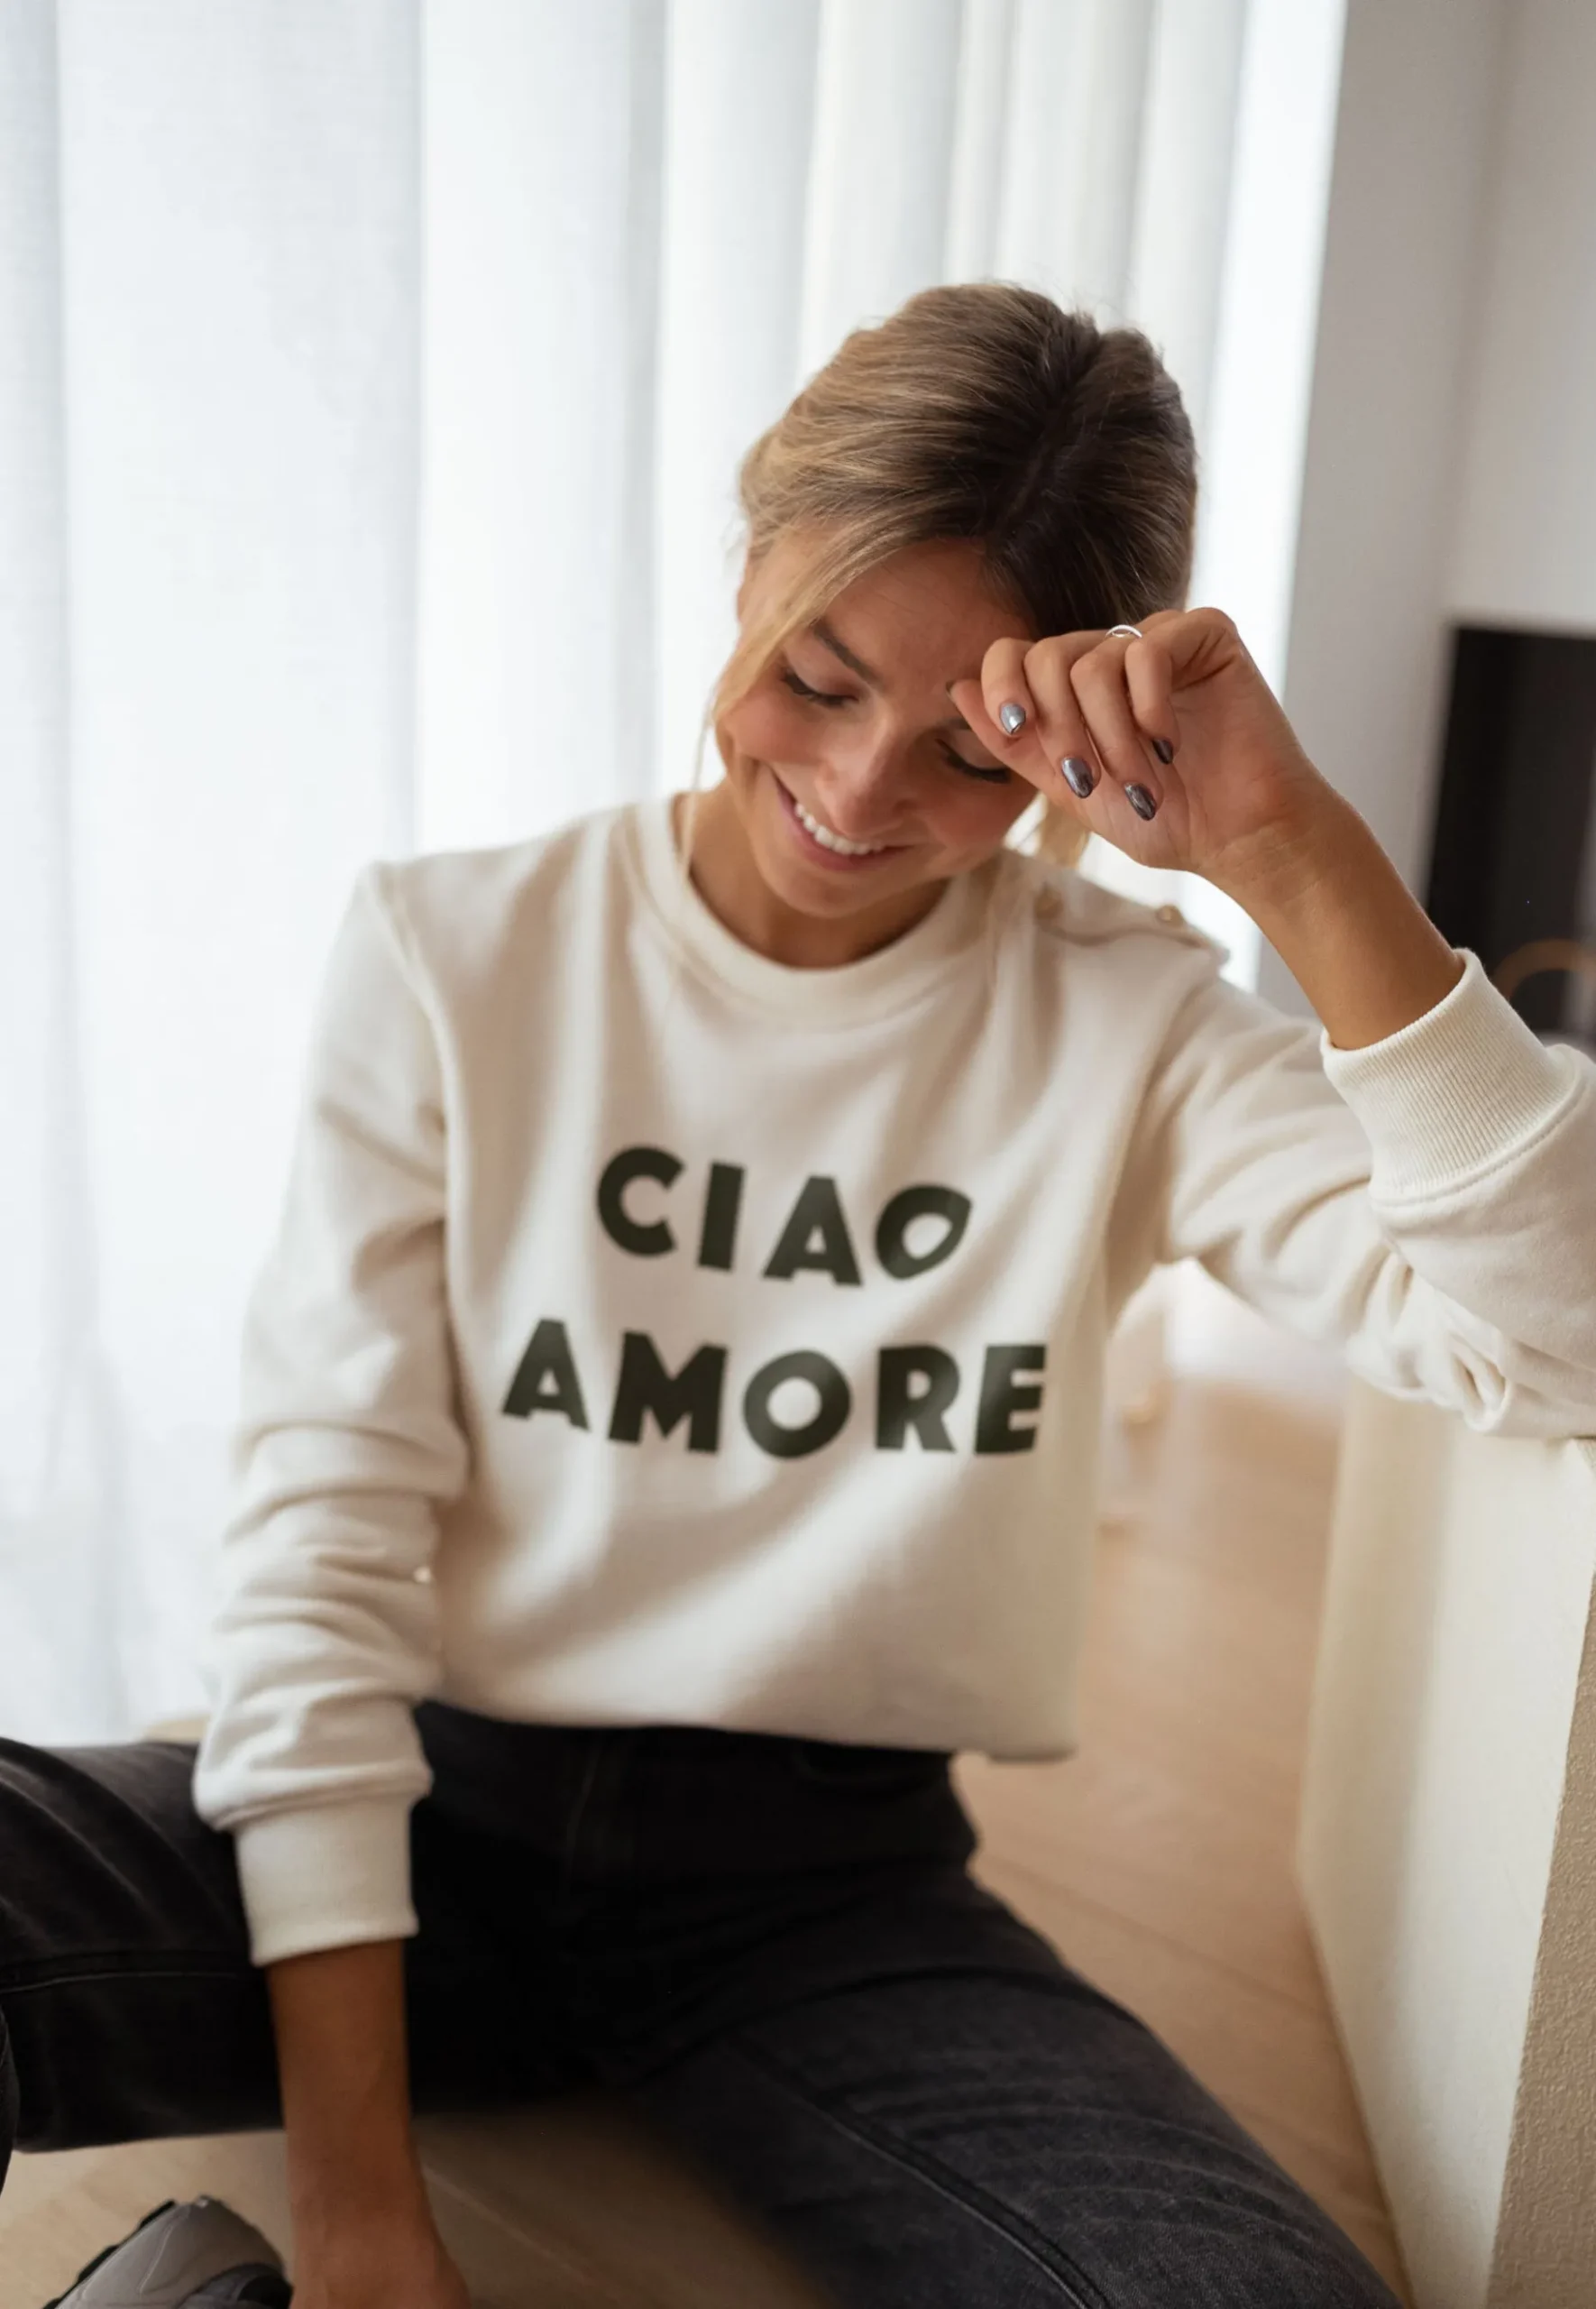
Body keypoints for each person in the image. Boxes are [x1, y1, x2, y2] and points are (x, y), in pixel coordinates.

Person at [5, 283, 1595, 2309]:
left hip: (822, 1908)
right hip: (421, 1817)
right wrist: (356, 2207)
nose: (853, 791)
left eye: (965, 752)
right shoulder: (454, 951)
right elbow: (320, 1544)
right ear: (752, 551)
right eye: (816, 676)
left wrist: (1295, 855)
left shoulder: (1129, 1030)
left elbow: (1560, 1328)